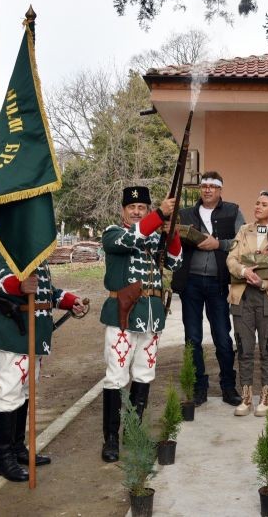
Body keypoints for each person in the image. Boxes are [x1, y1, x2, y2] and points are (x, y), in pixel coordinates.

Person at [0, 244, 86, 482]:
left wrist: (69, 301)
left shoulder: (33, 248)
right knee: (10, 393)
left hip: (35, 332)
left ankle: (18, 448)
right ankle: (4, 459)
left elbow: (46, 291)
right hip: (14, 331)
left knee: (24, 392)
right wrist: (20, 285)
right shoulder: (3, 242)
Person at [99, 186, 182, 462]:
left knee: (145, 374)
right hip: (122, 315)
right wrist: (158, 215)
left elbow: (175, 262)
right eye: (132, 207)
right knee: (116, 375)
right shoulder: (113, 233)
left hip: (151, 315)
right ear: (123, 210)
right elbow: (131, 239)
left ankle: (132, 432)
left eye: (142, 208)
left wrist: (172, 232)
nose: (136, 211)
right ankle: (111, 438)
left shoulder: (155, 236)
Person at [171, 172, 245, 407]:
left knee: (222, 337)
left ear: (220, 190)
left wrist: (218, 244)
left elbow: (242, 243)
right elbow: (172, 242)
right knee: (192, 338)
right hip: (190, 282)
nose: (207, 189)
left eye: (213, 186)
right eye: (204, 186)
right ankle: (198, 388)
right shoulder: (185, 214)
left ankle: (228, 386)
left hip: (218, 282)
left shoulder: (233, 211)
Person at [227, 191, 268, 417]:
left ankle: (265, 397)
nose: (258, 206)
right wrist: (244, 271)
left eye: (264, 204)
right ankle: (246, 398)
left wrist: (265, 282)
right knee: (244, 349)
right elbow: (231, 258)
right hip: (242, 296)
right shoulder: (244, 230)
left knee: (267, 349)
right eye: (257, 203)